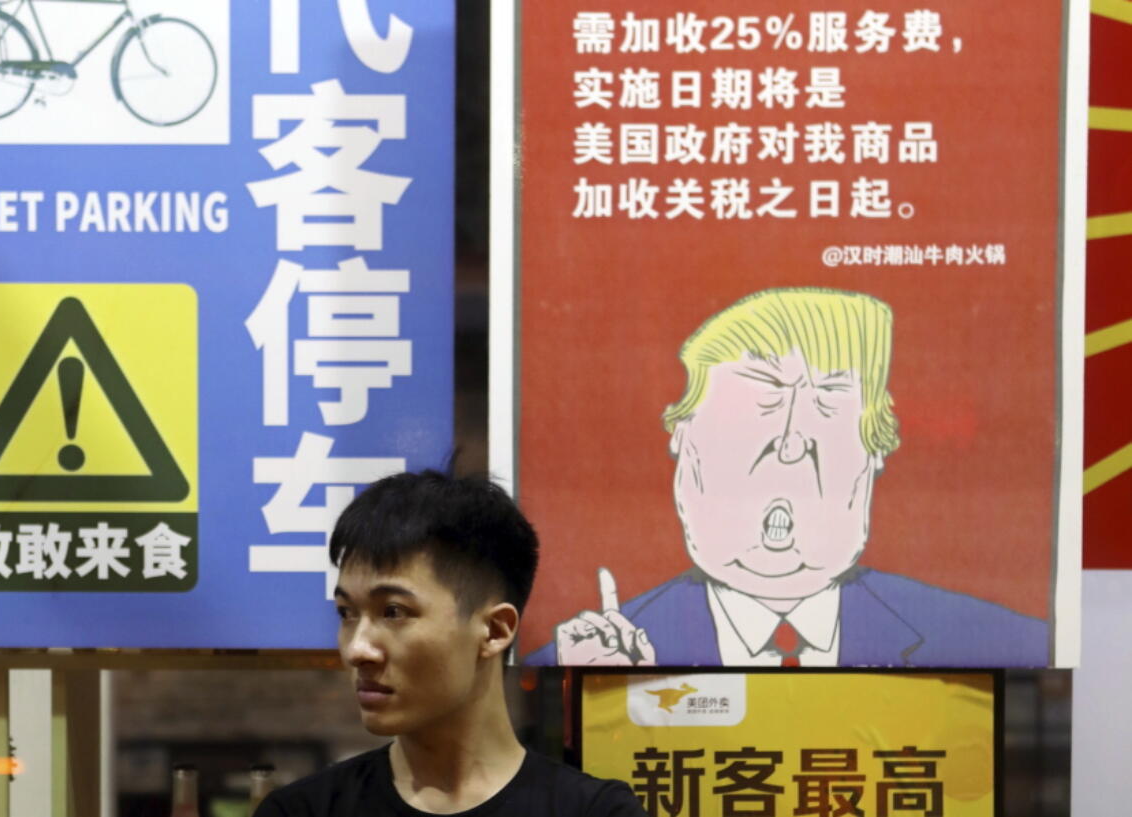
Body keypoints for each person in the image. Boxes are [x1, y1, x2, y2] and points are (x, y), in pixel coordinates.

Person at [528, 287, 1047, 668]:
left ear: (874, 459)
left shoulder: (993, 639)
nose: (793, 441)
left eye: (827, 403)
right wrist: (602, 695)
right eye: (761, 399)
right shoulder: (585, 658)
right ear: (683, 444)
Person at [253, 470, 646, 816]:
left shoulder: (596, 810)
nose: (357, 649)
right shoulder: (302, 810)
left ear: (494, 631)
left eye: (392, 612)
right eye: (346, 613)